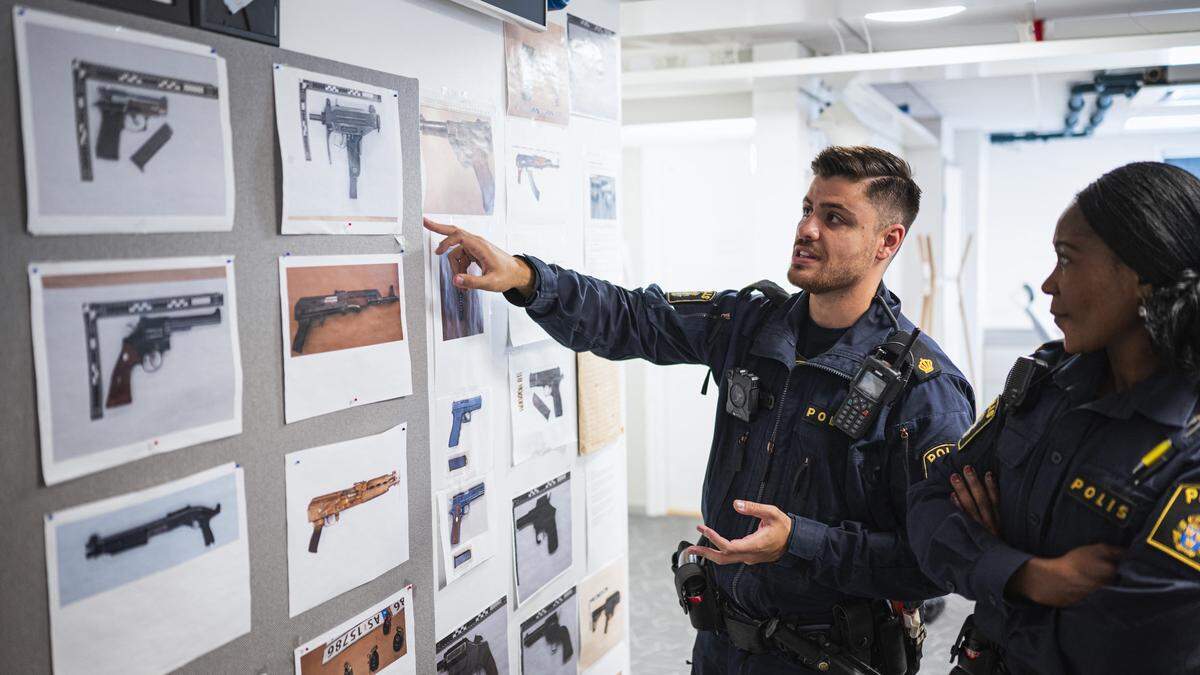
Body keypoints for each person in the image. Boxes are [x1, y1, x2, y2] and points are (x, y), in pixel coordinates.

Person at [427, 145, 976, 674]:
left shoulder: (922, 388)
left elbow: (935, 565)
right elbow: (632, 318)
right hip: (721, 644)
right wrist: (526, 278)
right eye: (808, 209)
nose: (807, 229)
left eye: (835, 218)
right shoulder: (752, 325)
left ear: (887, 241)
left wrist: (801, 543)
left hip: (829, 657)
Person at [907, 161, 1200, 674]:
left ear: (1142, 276)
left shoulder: (1188, 443)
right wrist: (1027, 576)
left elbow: (1133, 648)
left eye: (1066, 260)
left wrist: (989, 577)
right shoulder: (1045, 379)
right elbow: (929, 504)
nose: (1048, 284)